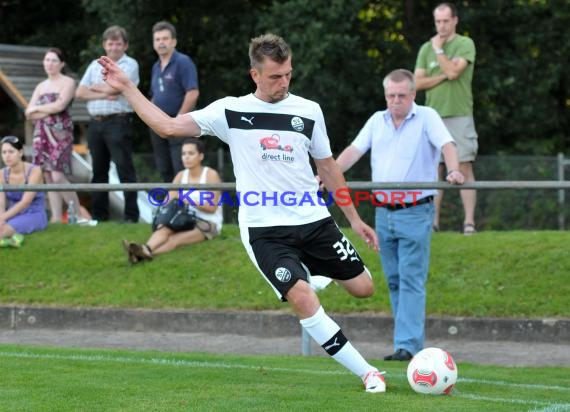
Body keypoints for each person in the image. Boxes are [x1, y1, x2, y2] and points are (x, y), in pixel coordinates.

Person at [97, 33, 387, 393]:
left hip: (314, 220)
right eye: (275, 77)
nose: (283, 83)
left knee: (364, 288)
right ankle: (367, 372)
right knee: (302, 298)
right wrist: (126, 86)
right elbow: (167, 126)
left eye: (288, 75)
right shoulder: (229, 111)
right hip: (265, 231)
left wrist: (355, 220)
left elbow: (328, 167)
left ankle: (311, 272)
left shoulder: (309, 111)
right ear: (255, 75)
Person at [336, 69, 464, 361]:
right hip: (384, 213)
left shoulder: (427, 117)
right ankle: (404, 343)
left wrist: (454, 169)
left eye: (402, 95)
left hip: (416, 210)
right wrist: (329, 175)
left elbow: (448, 145)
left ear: (413, 95)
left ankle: (408, 344)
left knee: (410, 279)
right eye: (391, 95)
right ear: (385, 95)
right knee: (394, 279)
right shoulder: (376, 121)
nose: (396, 101)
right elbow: (353, 151)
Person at [414, 2, 477, 235]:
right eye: (437, 21)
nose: (441, 25)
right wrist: (442, 75)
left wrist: (439, 51)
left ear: (455, 20)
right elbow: (417, 83)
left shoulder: (465, 44)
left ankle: (469, 223)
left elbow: (454, 72)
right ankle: (433, 224)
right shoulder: (425, 48)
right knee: (434, 170)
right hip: (432, 117)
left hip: (459, 114)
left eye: (445, 21)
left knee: (463, 167)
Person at [75, 25, 140, 223]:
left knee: (124, 169)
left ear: (125, 45)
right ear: (104, 44)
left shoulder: (130, 64)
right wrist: (104, 91)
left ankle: (131, 217)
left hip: (118, 121)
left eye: (118, 43)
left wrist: (96, 89)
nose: (113, 47)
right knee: (98, 172)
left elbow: (118, 88)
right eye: (110, 43)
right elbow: (80, 93)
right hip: (95, 124)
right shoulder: (95, 65)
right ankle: (99, 216)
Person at [122, 138, 222, 263]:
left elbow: (212, 208)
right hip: (184, 219)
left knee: (174, 240)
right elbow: (168, 200)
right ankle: (144, 249)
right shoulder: (181, 175)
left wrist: (187, 199)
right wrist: (163, 218)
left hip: (208, 223)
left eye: (191, 153)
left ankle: (139, 255)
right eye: (183, 154)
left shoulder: (210, 175)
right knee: (164, 229)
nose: (186, 157)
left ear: (201, 156)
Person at [25, 48, 92, 224]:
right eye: (47, 60)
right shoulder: (40, 86)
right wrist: (39, 111)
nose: (50, 64)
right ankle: (55, 218)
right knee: (47, 175)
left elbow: (59, 106)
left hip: (61, 134)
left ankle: (78, 215)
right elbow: (28, 113)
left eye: (54, 60)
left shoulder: (68, 82)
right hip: (41, 134)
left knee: (57, 175)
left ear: (61, 64)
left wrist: (38, 109)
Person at [149, 21, 200, 182]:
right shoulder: (156, 67)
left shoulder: (183, 62)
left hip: (180, 122)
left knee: (182, 168)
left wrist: (178, 119)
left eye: (165, 38)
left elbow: (192, 93)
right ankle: (171, 205)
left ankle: (186, 206)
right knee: (164, 168)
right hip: (159, 124)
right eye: (157, 39)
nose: (161, 42)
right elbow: (154, 96)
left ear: (173, 42)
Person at [0, 135, 48, 247]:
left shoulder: (35, 171)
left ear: (20, 153)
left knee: (2, 230)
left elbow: (26, 201)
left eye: (11, 152)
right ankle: (11, 240)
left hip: (34, 213)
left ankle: (8, 238)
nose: (7, 156)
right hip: (11, 213)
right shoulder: (1, 173)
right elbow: (1, 201)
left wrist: (2, 218)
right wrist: (1, 217)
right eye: (4, 152)